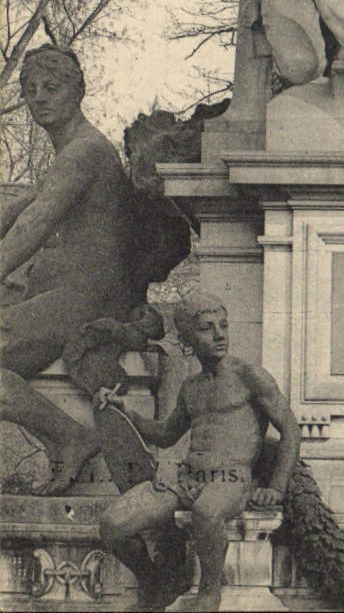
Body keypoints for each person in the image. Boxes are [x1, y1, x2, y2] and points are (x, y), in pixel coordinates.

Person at [97, 294, 300, 613]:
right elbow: (166, 435)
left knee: (207, 512)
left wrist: (276, 487)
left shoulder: (249, 376)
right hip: (185, 479)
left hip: (230, 479)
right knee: (113, 524)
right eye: (207, 328)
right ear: (187, 337)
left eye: (224, 325)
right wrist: (127, 412)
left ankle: (209, 592)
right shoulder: (191, 387)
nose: (220, 335)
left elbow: (290, 429)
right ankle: (153, 584)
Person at [0, 46, 138, 492]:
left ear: (77, 91)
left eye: (51, 88)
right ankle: (69, 437)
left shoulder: (84, 152)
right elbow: (19, 211)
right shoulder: (71, 154)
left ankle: (71, 437)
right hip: (76, 290)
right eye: (30, 89)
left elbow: (34, 226)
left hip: (89, 294)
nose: (38, 98)